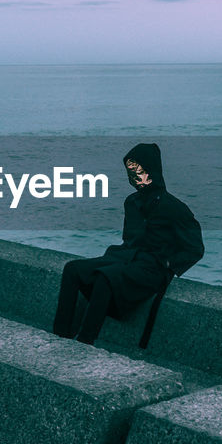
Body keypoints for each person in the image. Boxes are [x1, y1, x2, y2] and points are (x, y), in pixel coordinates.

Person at [53, 142, 203, 346]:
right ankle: (59, 335)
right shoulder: (131, 202)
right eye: (130, 172)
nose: (134, 177)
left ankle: (85, 341)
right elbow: (129, 239)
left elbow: (195, 249)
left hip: (152, 268)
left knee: (106, 278)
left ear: (153, 170)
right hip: (125, 258)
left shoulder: (175, 208)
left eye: (139, 171)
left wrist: (168, 264)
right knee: (72, 269)